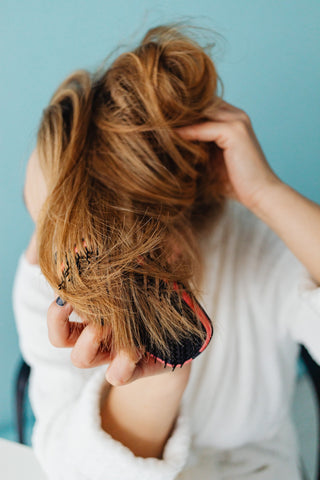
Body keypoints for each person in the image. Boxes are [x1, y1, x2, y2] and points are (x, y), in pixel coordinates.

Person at [13, 24, 320, 480]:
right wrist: (158, 374)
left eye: (60, 232)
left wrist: (266, 193)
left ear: (163, 239)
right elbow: (70, 466)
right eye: (39, 224)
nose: (41, 257)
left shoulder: (257, 246)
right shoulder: (44, 284)